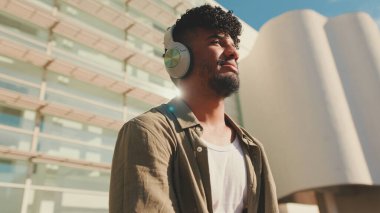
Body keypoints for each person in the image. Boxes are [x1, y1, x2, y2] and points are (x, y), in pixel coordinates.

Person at [109, 4, 278, 213]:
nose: (233, 52)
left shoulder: (254, 149)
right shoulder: (149, 132)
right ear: (179, 58)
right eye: (216, 41)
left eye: (234, 45)